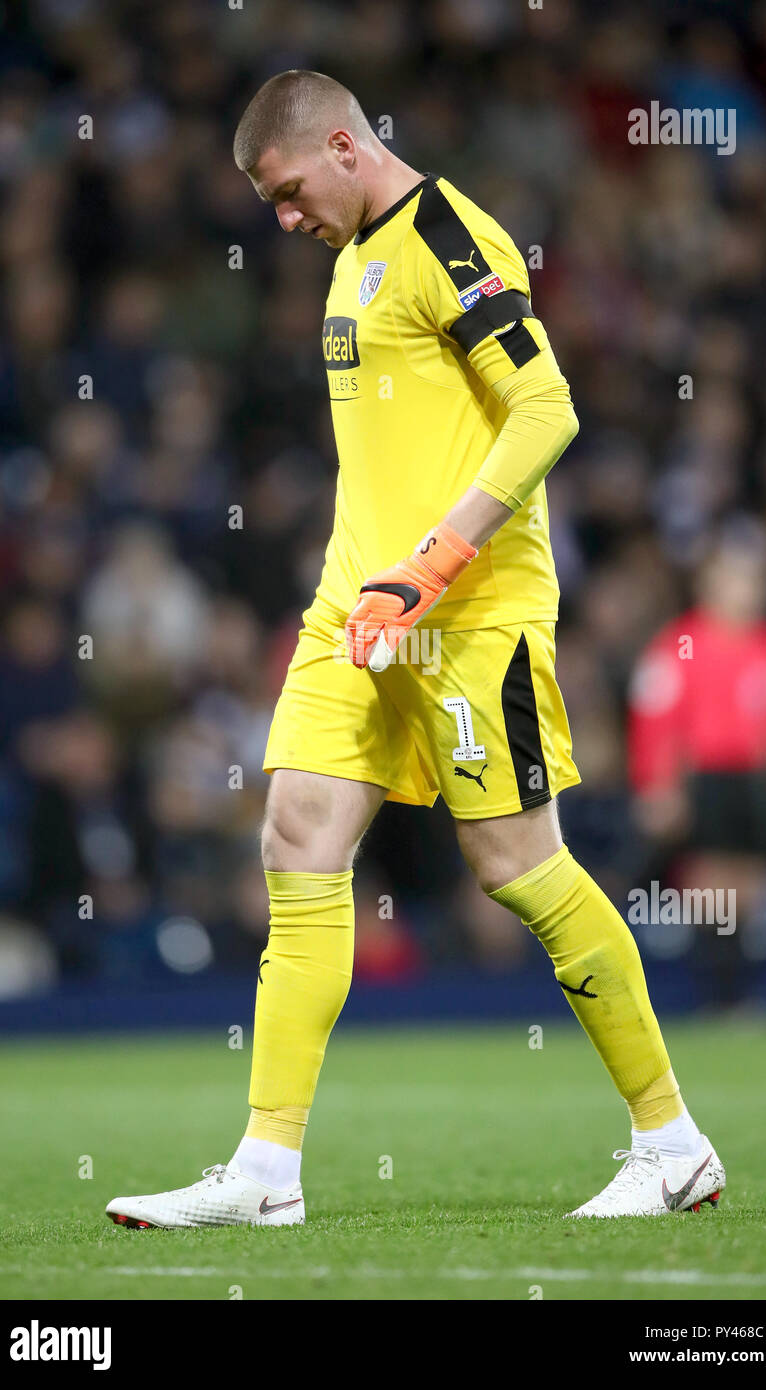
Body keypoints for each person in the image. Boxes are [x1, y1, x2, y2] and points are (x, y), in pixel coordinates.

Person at [106, 70, 724, 1228]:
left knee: (513, 863)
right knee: (295, 833)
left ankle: (670, 1139)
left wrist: (428, 567)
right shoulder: (348, 256)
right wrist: (366, 580)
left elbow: (547, 409)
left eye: (288, 191)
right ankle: (266, 1171)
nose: (282, 220)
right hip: (359, 607)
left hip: (467, 608)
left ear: (344, 145)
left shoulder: (448, 233)